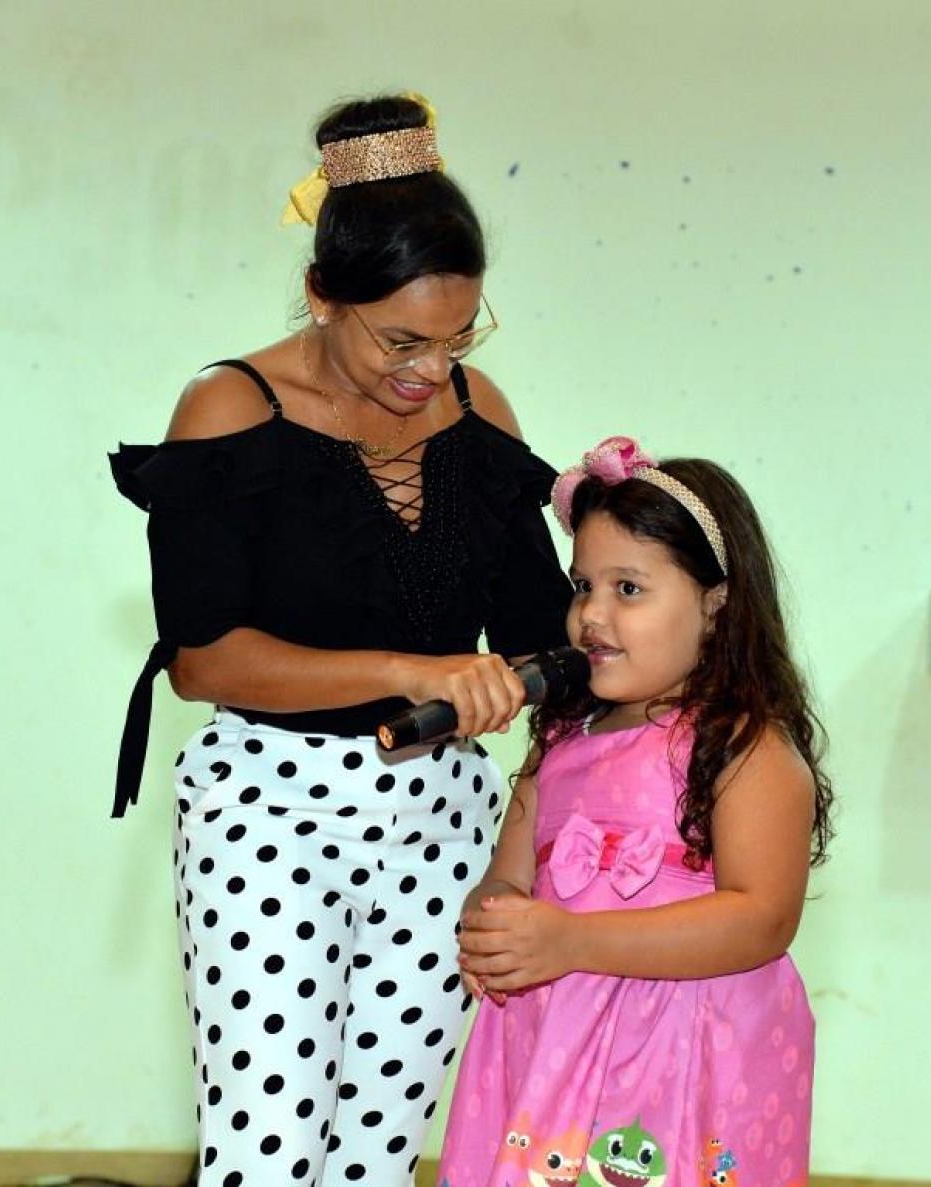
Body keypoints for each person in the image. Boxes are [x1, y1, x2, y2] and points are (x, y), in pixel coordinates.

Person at [108, 93, 573, 1187]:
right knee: (268, 1151)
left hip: (441, 819)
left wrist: (629, 605)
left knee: (377, 1153)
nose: (429, 370)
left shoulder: (480, 413)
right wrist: (411, 670)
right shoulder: (230, 410)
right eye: (401, 339)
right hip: (269, 811)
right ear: (323, 293)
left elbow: (536, 633)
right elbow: (204, 659)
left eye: (459, 337)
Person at [439, 435, 834, 1187]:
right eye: (582, 586)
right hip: (551, 1044)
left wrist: (573, 940)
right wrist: (492, 924)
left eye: (628, 589)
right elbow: (505, 878)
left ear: (715, 605)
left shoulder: (742, 747)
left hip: (684, 1058)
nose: (591, 613)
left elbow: (761, 919)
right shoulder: (560, 743)